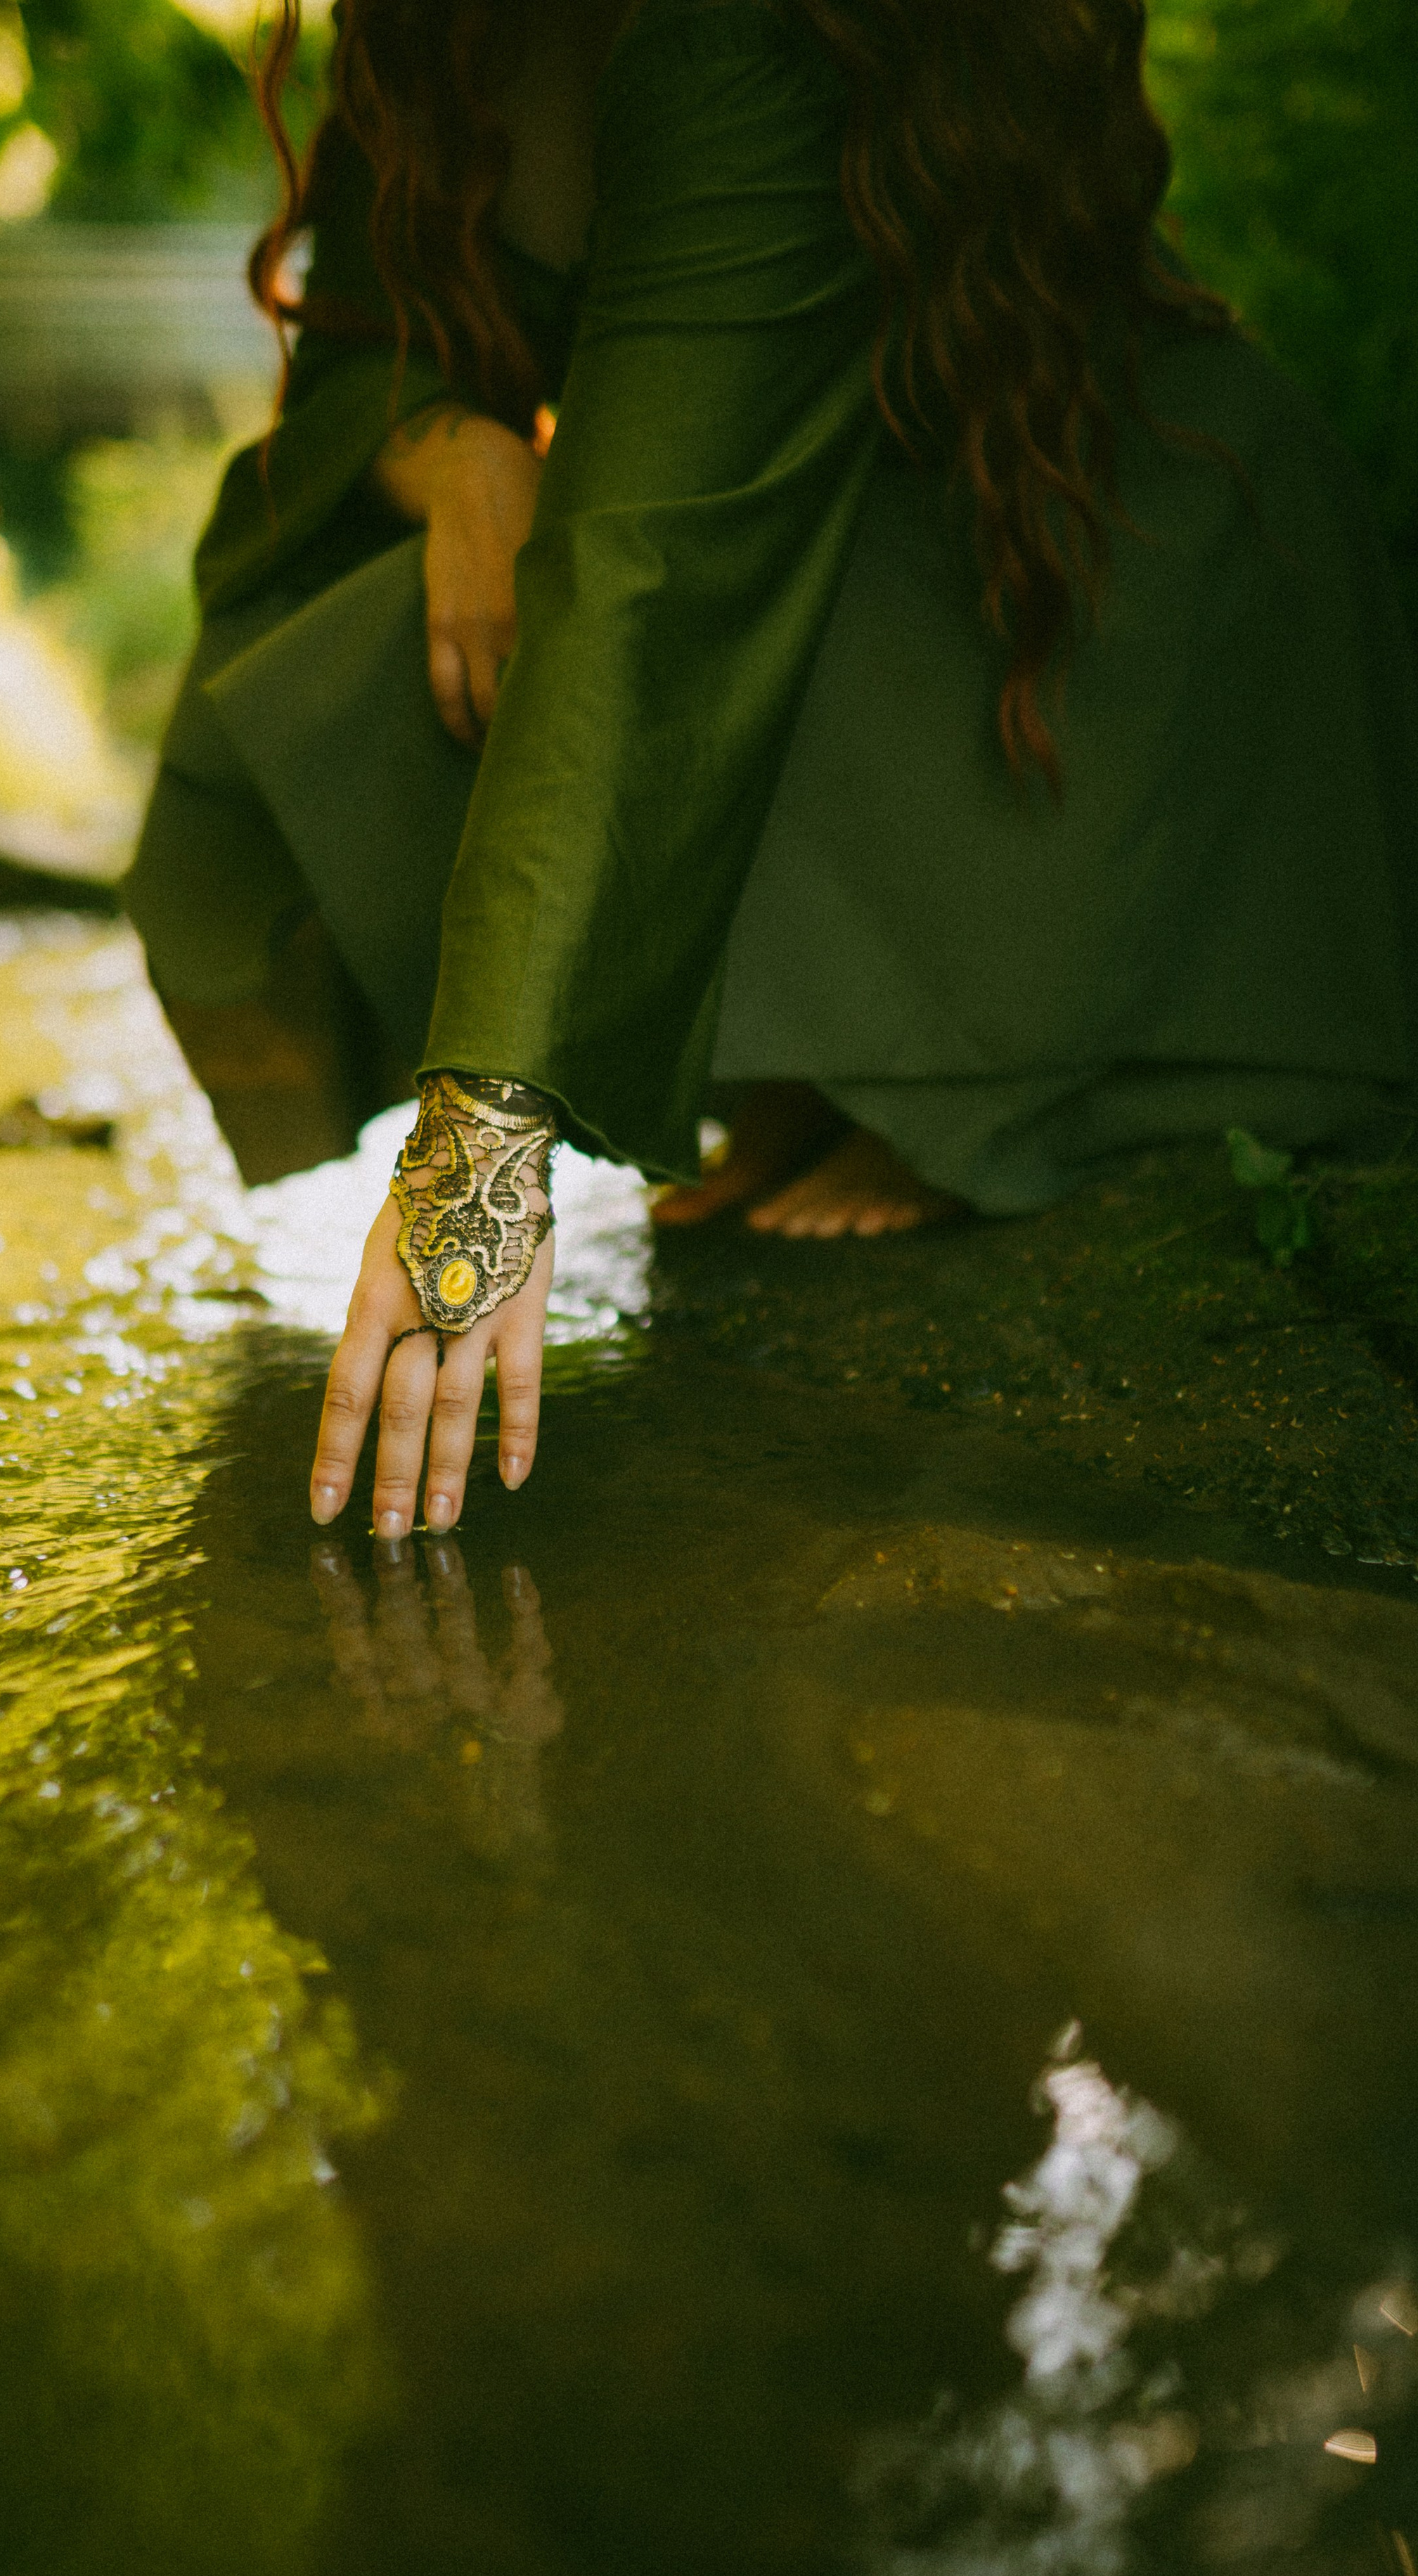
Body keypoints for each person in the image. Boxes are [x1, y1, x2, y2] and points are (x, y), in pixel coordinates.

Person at [122, 0, 1418, 1542]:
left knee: (610, 644)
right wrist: (453, 446)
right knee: (314, 651)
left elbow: (645, 572)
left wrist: (478, 1152)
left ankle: (979, 1065)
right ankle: (816, 1067)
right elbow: (357, 354)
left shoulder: (738, 34)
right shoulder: (427, 29)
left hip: (1087, 594)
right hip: (786, 565)